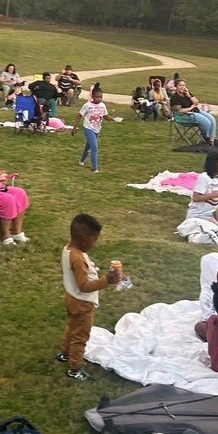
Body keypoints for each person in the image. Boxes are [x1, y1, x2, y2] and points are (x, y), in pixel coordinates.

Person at [56, 213, 121, 381]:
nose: (94, 244)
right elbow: (83, 286)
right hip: (82, 303)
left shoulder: (68, 249)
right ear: (85, 238)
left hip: (71, 297)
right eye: (94, 240)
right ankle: (75, 368)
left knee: (72, 328)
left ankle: (64, 354)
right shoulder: (77, 258)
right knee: (80, 336)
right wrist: (106, 281)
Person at [72, 83, 108, 173]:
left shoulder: (103, 105)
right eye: (97, 97)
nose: (99, 99)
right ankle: (95, 168)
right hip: (88, 128)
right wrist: (74, 127)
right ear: (92, 96)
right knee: (94, 147)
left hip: (97, 128)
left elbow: (105, 116)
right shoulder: (87, 105)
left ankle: (81, 160)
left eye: (101, 97)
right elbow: (79, 116)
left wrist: (112, 118)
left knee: (88, 145)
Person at [169, 79, 217, 145]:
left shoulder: (186, 93)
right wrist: (190, 108)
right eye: (180, 85)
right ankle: (206, 137)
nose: (182, 87)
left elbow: (196, 102)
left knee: (212, 119)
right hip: (184, 115)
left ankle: (212, 140)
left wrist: (189, 96)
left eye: (184, 85)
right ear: (176, 87)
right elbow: (179, 110)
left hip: (194, 111)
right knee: (207, 122)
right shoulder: (175, 97)